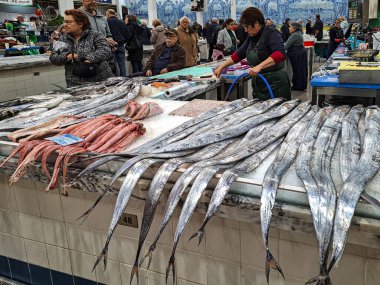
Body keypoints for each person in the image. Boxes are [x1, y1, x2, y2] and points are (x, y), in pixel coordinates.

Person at [214, 7, 291, 100]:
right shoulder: (252, 36)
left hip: (276, 84)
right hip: (259, 84)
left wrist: (260, 66)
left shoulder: (272, 33)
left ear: (256, 24)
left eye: (247, 27)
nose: (246, 30)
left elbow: (279, 54)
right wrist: (222, 67)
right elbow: (239, 54)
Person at [49, 9, 112, 87]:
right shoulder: (62, 39)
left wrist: (88, 59)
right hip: (75, 84)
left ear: (80, 24)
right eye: (64, 22)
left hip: (100, 82)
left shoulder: (95, 35)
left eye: (68, 22)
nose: (64, 24)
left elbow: (106, 51)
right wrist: (67, 56)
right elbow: (53, 58)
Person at [79, 0, 118, 73]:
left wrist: (111, 42)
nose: (93, 1)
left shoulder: (102, 17)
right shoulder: (78, 15)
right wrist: (104, 40)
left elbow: (108, 34)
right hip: (88, 59)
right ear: (82, 1)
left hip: (104, 58)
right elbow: (79, 35)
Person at [106, 9, 130, 77]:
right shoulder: (122, 22)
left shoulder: (107, 22)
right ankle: (124, 79)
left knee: (113, 64)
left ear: (108, 14)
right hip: (121, 45)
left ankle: (116, 80)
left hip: (111, 46)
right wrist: (122, 41)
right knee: (122, 64)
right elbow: (128, 35)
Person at [285, 22, 307, 90]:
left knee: (297, 71)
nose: (289, 28)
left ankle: (298, 86)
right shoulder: (298, 33)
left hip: (296, 54)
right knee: (300, 70)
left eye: (290, 27)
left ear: (294, 28)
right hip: (300, 53)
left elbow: (286, 46)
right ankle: (300, 85)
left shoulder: (294, 35)